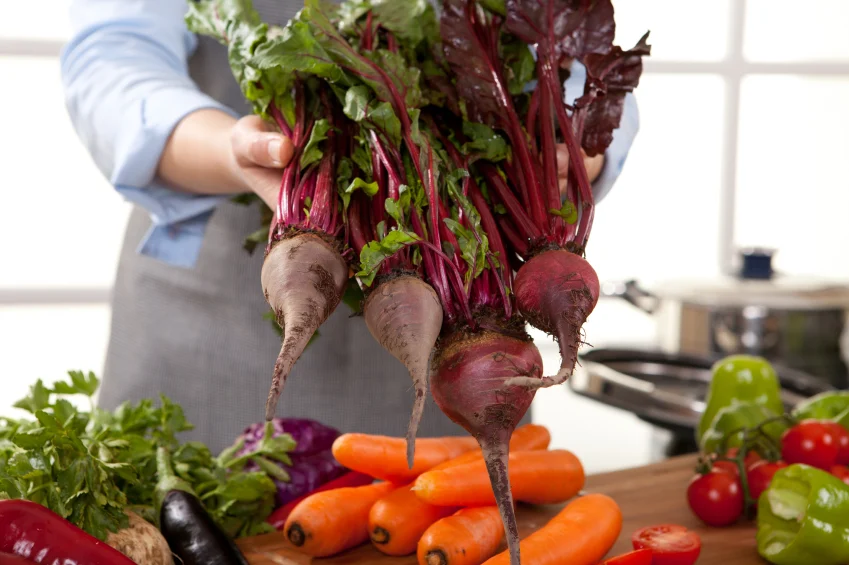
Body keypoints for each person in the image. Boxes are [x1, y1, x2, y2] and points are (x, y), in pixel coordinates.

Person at [60, 0, 640, 454]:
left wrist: (571, 145)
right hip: (214, 326)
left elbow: (575, 58)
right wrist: (232, 150)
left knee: (440, 525)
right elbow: (112, 58)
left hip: (466, 346)